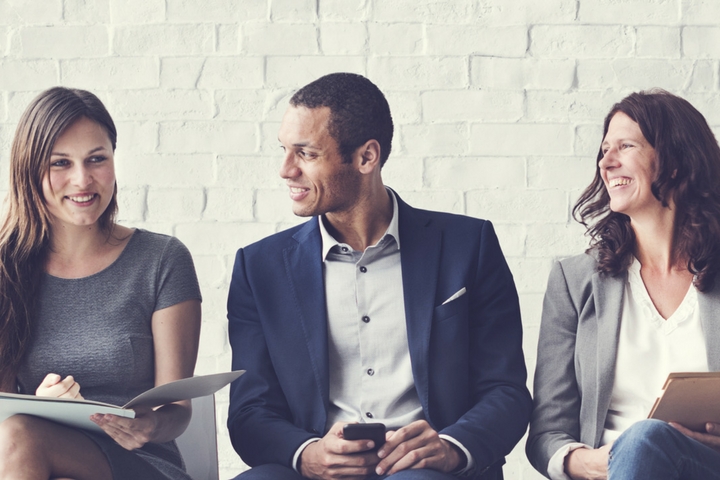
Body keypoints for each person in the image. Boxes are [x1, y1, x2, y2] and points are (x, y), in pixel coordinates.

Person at [227, 72, 531, 480]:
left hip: (427, 470)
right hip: (316, 470)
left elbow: (506, 390)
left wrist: (450, 448)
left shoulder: (468, 245)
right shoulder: (259, 267)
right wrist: (308, 454)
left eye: (306, 153)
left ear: (366, 157)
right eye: (284, 150)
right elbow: (249, 411)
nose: (285, 170)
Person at [0, 87, 202, 480]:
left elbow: (177, 406)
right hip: (34, 454)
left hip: (142, 464)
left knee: (19, 438)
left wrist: (150, 425)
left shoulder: (161, 259)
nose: (82, 180)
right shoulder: (7, 269)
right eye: (61, 163)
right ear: (29, 170)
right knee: (18, 435)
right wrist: (37, 405)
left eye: (97, 159)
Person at [526, 89, 720, 480]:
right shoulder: (575, 280)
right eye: (604, 150)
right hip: (610, 470)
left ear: (677, 162)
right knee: (640, 441)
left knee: (646, 437)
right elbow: (548, 430)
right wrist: (583, 461)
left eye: (625, 146)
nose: (606, 162)